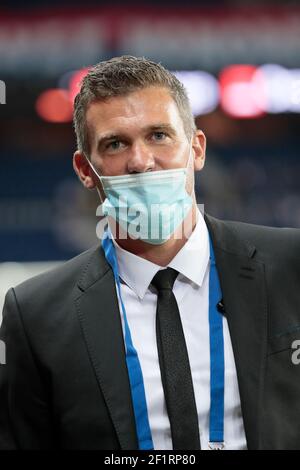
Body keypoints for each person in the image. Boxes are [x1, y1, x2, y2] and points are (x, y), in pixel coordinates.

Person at [0, 56, 300, 451]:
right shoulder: (36, 315)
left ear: (196, 149)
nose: (141, 161)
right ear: (85, 169)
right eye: (115, 143)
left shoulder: (291, 266)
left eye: (158, 135)